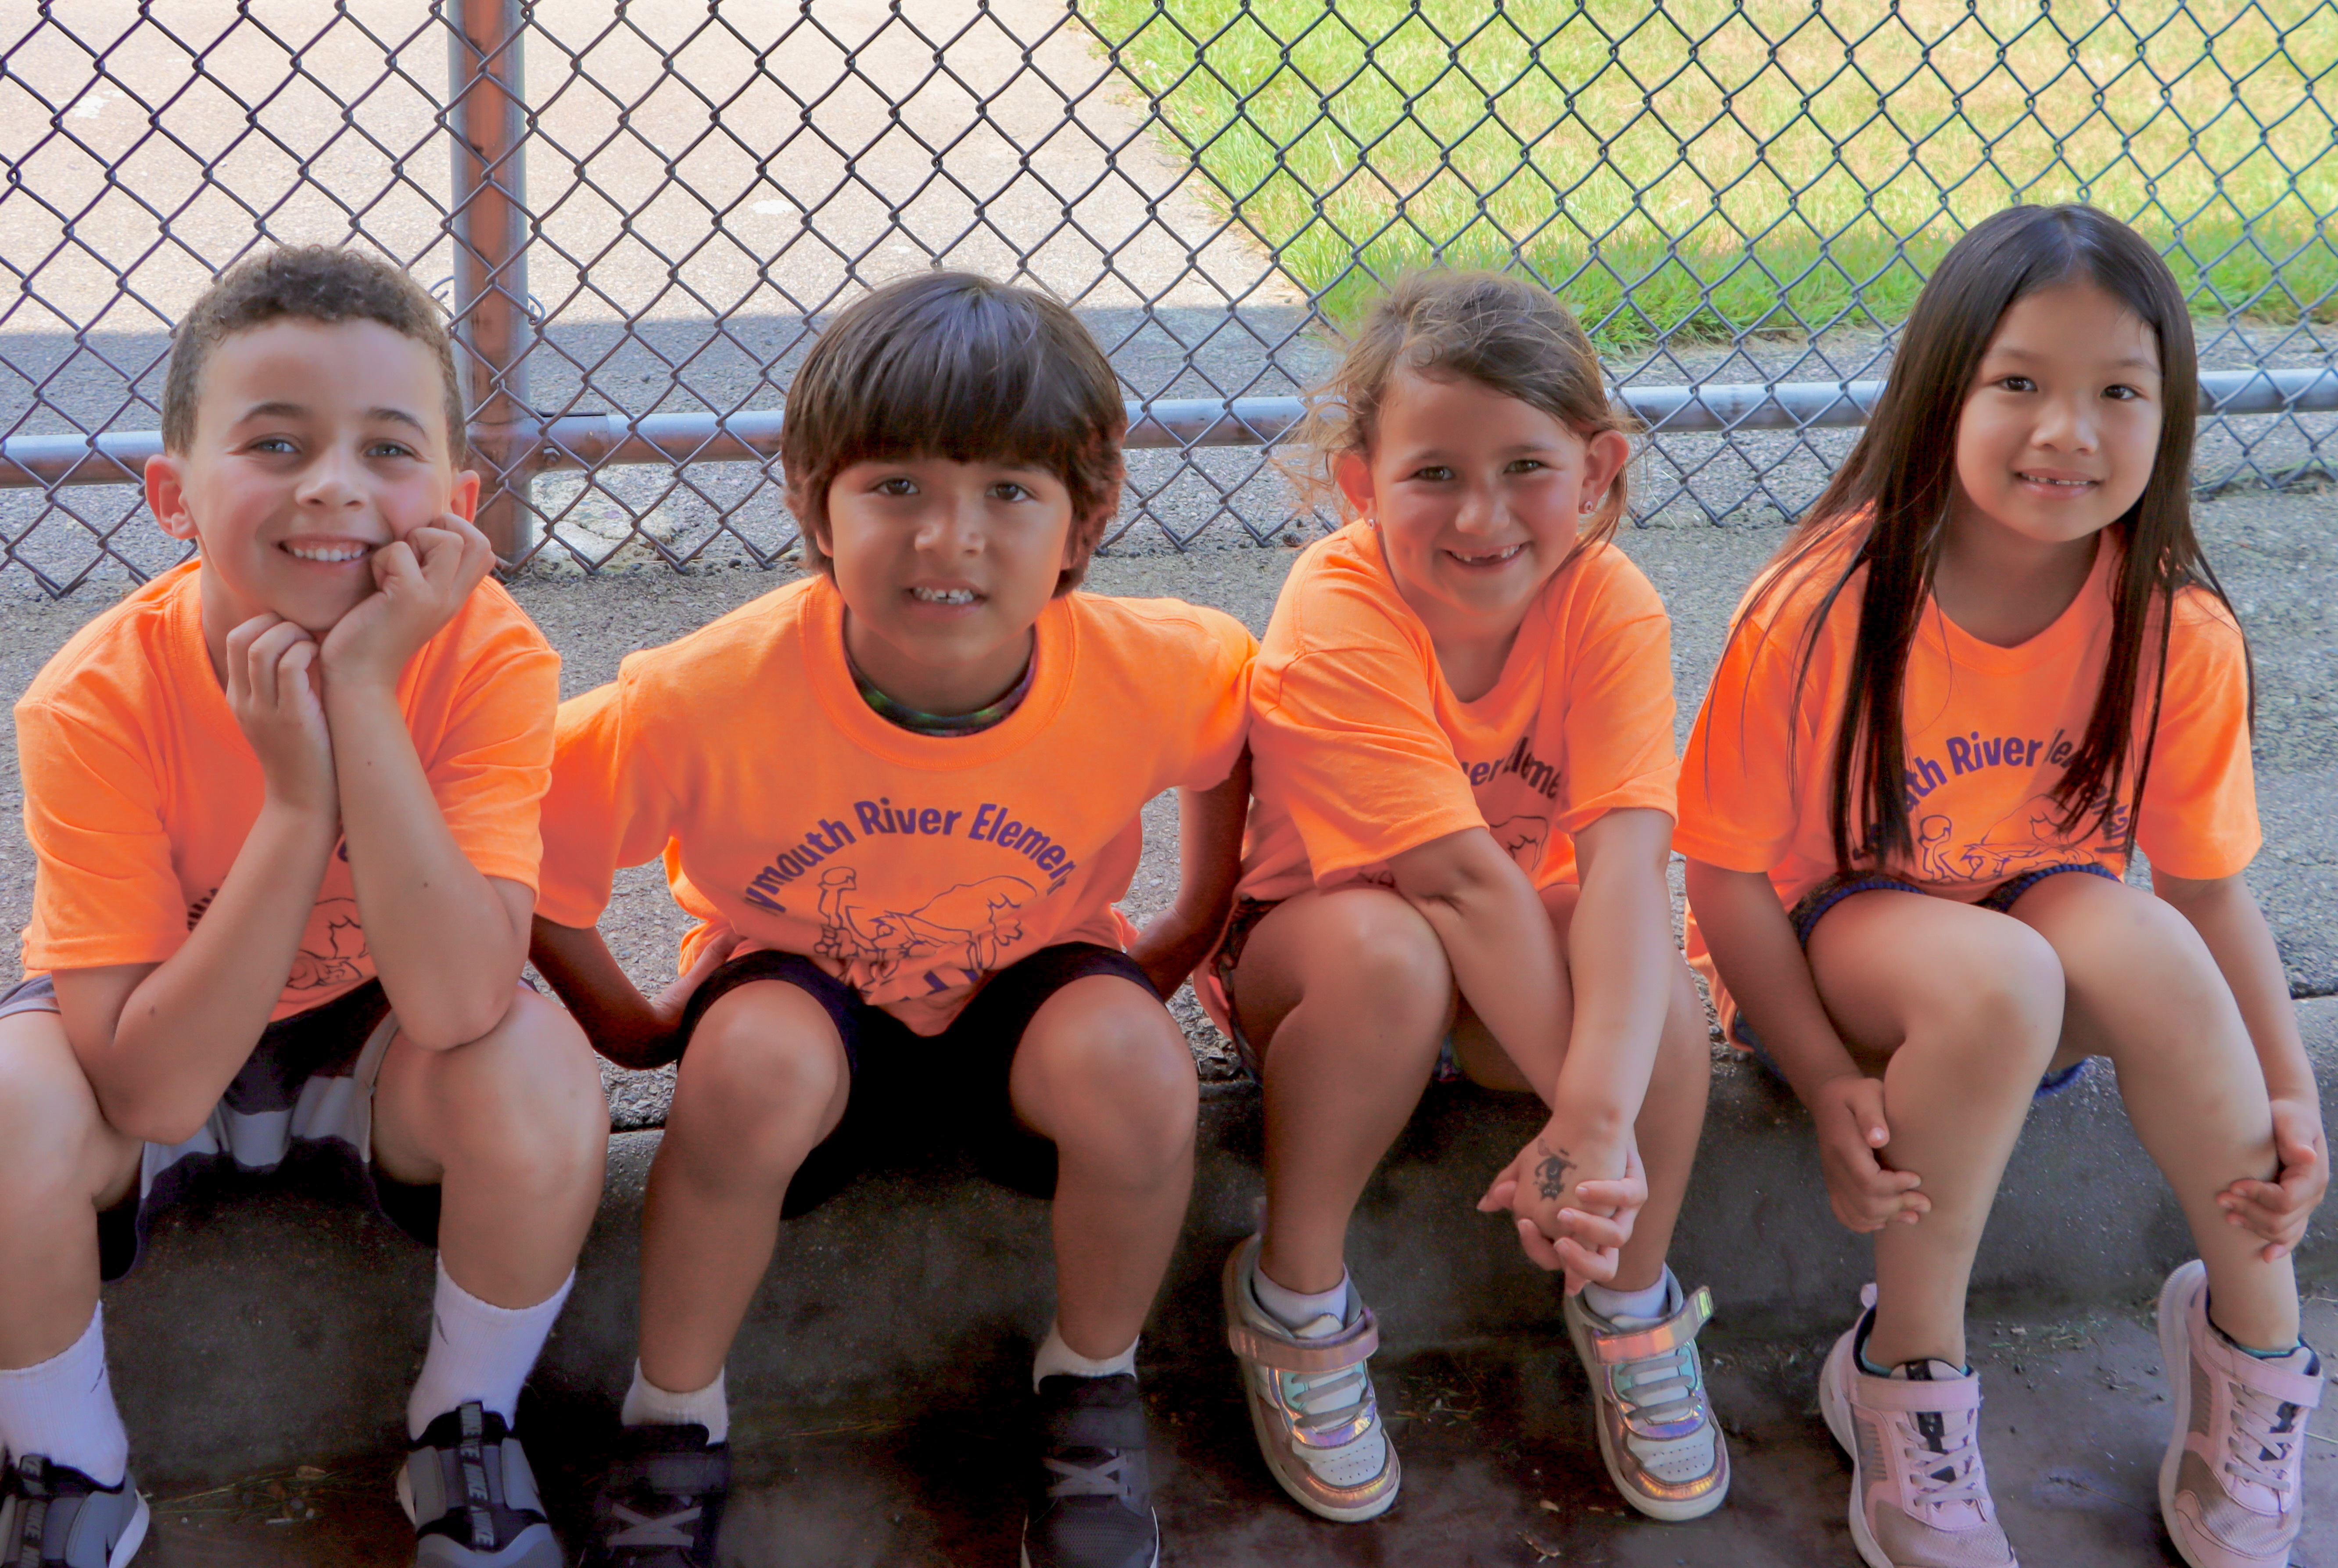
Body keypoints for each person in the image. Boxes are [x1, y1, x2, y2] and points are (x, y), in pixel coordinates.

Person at [530, 271, 1255, 1568]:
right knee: (747, 1061)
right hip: (807, 1006)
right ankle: (674, 1413)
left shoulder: (1145, 666)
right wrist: (633, 1027)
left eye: (1008, 492)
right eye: (897, 487)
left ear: (1087, 520)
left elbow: (1236, 728)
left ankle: (1091, 1388)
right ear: (814, 501)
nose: (948, 537)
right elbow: (529, 845)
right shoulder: (707, 694)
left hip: (1028, 997)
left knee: (1142, 1064)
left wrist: (1191, 922)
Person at [1678, 205, 2325, 1568]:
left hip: (2035, 938)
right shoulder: (1824, 603)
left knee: (2135, 940)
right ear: (1941, 389)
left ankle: (2256, 1351)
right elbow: (1726, 875)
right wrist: (1819, 1064)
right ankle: (1903, 1372)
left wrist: (2290, 1091)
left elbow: (2209, 897)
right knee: (2008, 970)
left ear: (2174, 413)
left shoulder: (2175, 625)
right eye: (2020, 382)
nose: (2068, 432)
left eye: (2118, 392)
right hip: (1845, 960)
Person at [0, 247, 609, 1568]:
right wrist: (292, 810)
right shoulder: (92, 699)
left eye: (386, 450)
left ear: (453, 502)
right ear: (173, 494)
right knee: (8, 1104)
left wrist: (368, 705)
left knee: (547, 1076)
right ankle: (68, 1465)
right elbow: (149, 1094)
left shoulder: (492, 654)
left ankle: (463, 1429)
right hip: (157, 1049)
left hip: (382, 1041)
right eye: (276, 443)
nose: (334, 484)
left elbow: (457, 1000)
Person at [1200, 271, 1726, 1525]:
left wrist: (1596, 1113)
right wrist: (1596, 1125)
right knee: (1396, 953)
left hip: (1504, 984)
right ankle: (1296, 1292)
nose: (1481, 514)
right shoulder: (1339, 603)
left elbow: (1621, 868)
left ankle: (1627, 1293)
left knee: (1654, 999)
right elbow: (1452, 879)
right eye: (1433, 471)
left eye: (1525, 467)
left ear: (1598, 469)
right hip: (1328, 961)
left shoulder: (1612, 603)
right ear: (1358, 482)